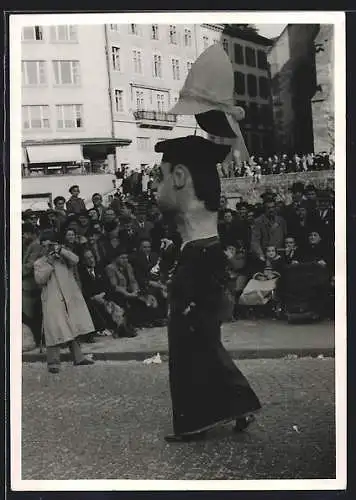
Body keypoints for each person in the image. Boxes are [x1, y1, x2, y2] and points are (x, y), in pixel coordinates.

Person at [154, 135, 261, 443]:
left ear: (179, 177)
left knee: (192, 345)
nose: (155, 187)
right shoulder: (202, 243)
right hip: (201, 253)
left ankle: (197, 421)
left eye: (160, 177)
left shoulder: (197, 250)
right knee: (203, 344)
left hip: (198, 258)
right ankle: (237, 406)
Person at [33, 230, 95, 373]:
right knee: (54, 330)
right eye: (44, 246)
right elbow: (39, 280)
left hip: (68, 297)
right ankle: (53, 363)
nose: (47, 248)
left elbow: (76, 260)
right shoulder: (39, 263)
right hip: (52, 300)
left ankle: (78, 357)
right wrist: (48, 263)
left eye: (50, 245)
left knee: (72, 327)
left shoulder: (63, 257)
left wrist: (60, 250)